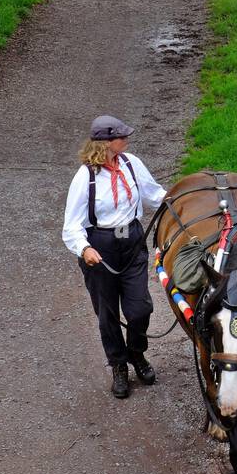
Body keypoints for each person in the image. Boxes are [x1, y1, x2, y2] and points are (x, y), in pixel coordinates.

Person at [63, 115, 167, 399]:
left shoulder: (131, 163)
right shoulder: (85, 177)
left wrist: (186, 199)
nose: (127, 139)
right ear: (107, 143)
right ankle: (119, 365)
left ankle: (136, 353)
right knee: (107, 314)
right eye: (122, 136)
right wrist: (85, 249)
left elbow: (156, 195)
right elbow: (71, 224)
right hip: (101, 247)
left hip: (132, 242)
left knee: (140, 309)